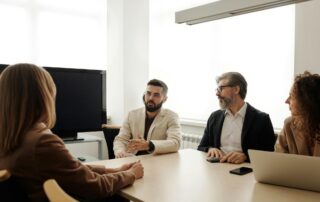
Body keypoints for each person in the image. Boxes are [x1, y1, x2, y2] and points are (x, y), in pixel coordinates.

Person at [0, 63, 144, 202]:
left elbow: (70, 170)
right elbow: (95, 187)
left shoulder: (12, 137)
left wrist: (113, 170)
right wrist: (130, 174)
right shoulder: (41, 142)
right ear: (42, 97)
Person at [198, 72, 276, 164]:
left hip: (245, 172)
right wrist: (210, 149)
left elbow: (268, 153)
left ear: (236, 89)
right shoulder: (214, 117)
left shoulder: (261, 119)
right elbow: (201, 146)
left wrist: (246, 156)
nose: (217, 93)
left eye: (221, 88)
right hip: (217, 168)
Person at [113, 79, 182, 158]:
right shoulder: (131, 115)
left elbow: (175, 143)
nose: (150, 98)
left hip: (157, 162)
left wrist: (149, 145)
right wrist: (120, 151)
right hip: (132, 159)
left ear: (164, 99)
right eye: (148, 93)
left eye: (156, 95)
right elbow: (121, 139)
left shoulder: (172, 116)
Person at [275, 71, 320, 156]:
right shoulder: (288, 125)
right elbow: (278, 158)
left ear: (307, 101)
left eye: (291, 96)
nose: (286, 101)